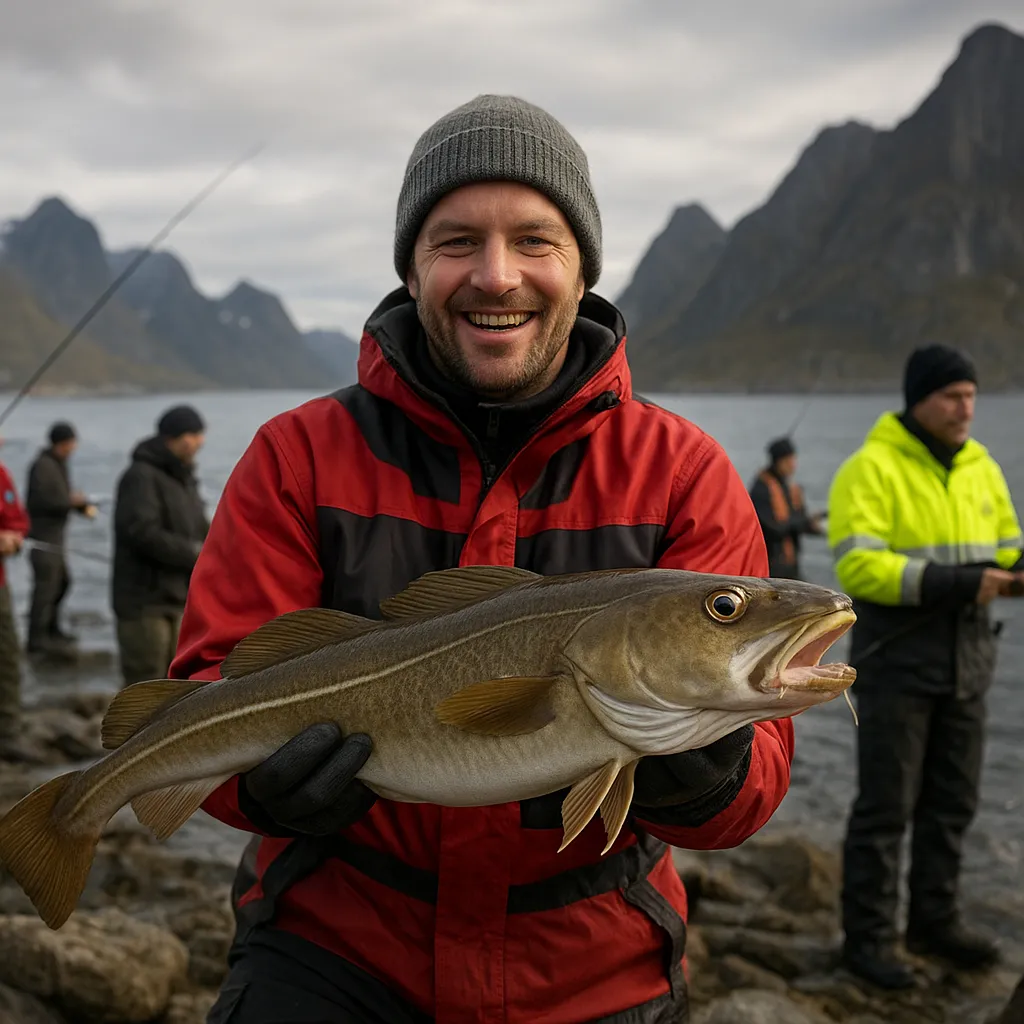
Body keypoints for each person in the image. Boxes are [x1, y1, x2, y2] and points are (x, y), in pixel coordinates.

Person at [171, 95, 796, 1024]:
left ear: (583, 268)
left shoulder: (685, 472)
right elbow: (208, 688)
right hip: (331, 952)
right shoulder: (295, 455)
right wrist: (257, 788)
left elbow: (745, 801)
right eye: (456, 240)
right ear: (412, 266)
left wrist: (708, 765)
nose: (497, 275)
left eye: (536, 241)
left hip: (594, 969)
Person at [828, 344, 1023, 990]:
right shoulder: (870, 468)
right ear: (919, 399)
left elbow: (1008, 547)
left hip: (969, 664)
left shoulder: (983, 468)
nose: (966, 407)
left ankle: (934, 923)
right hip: (896, 668)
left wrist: (1016, 572)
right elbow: (858, 567)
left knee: (953, 805)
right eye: (952, 395)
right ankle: (869, 942)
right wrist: (962, 583)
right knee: (885, 810)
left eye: (970, 395)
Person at [112, 406, 209, 687]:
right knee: (145, 688)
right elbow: (141, 531)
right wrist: (194, 553)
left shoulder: (184, 479)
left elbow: (201, 528)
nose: (199, 442)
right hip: (143, 604)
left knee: (176, 684)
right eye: (194, 435)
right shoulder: (140, 475)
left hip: (178, 600)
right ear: (175, 438)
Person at [24, 421, 96, 655]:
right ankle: (36, 639)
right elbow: (43, 501)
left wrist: (75, 503)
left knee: (62, 583)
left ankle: (52, 629)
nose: (73, 448)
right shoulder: (43, 466)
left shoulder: (57, 464)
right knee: (45, 589)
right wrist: (73, 502)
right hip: (43, 540)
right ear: (61, 443)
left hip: (56, 539)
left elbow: (59, 498)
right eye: (70, 443)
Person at [749, 436, 823, 579]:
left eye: (793, 460)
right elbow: (772, 528)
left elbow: (798, 519)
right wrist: (803, 523)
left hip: (791, 565)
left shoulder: (790, 488)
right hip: (770, 567)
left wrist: (814, 524)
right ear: (777, 461)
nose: (793, 465)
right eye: (788, 461)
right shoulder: (761, 489)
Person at [0, 436, 30, 757]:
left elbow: (18, 520)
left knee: (7, 657)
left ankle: (8, 735)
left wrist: (13, 536)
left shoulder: (2, 474)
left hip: (0, 586)